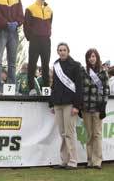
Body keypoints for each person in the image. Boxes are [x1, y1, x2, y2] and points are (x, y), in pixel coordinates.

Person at [49, 42, 82, 170]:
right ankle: (64, 161)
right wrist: (52, 103)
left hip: (70, 104)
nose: (62, 52)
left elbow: (79, 87)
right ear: (58, 52)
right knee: (62, 133)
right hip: (58, 104)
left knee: (69, 133)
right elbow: (54, 85)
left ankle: (73, 161)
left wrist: (77, 106)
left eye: (64, 50)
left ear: (68, 51)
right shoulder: (56, 65)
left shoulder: (75, 65)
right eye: (60, 50)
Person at [81, 48, 110, 169]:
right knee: (89, 135)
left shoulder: (103, 72)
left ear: (97, 58)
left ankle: (97, 161)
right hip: (86, 108)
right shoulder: (83, 72)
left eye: (93, 56)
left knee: (97, 134)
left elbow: (106, 90)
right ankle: (89, 161)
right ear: (87, 59)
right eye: (89, 56)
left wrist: (103, 107)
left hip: (97, 108)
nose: (91, 58)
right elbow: (80, 89)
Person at [24, 0, 53, 95]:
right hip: (35, 40)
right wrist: (30, 38)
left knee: (45, 65)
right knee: (32, 64)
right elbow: (26, 25)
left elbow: (50, 24)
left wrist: (48, 34)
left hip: (46, 40)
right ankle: (31, 88)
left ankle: (46, 89)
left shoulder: (50, 10)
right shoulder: (30, 8)